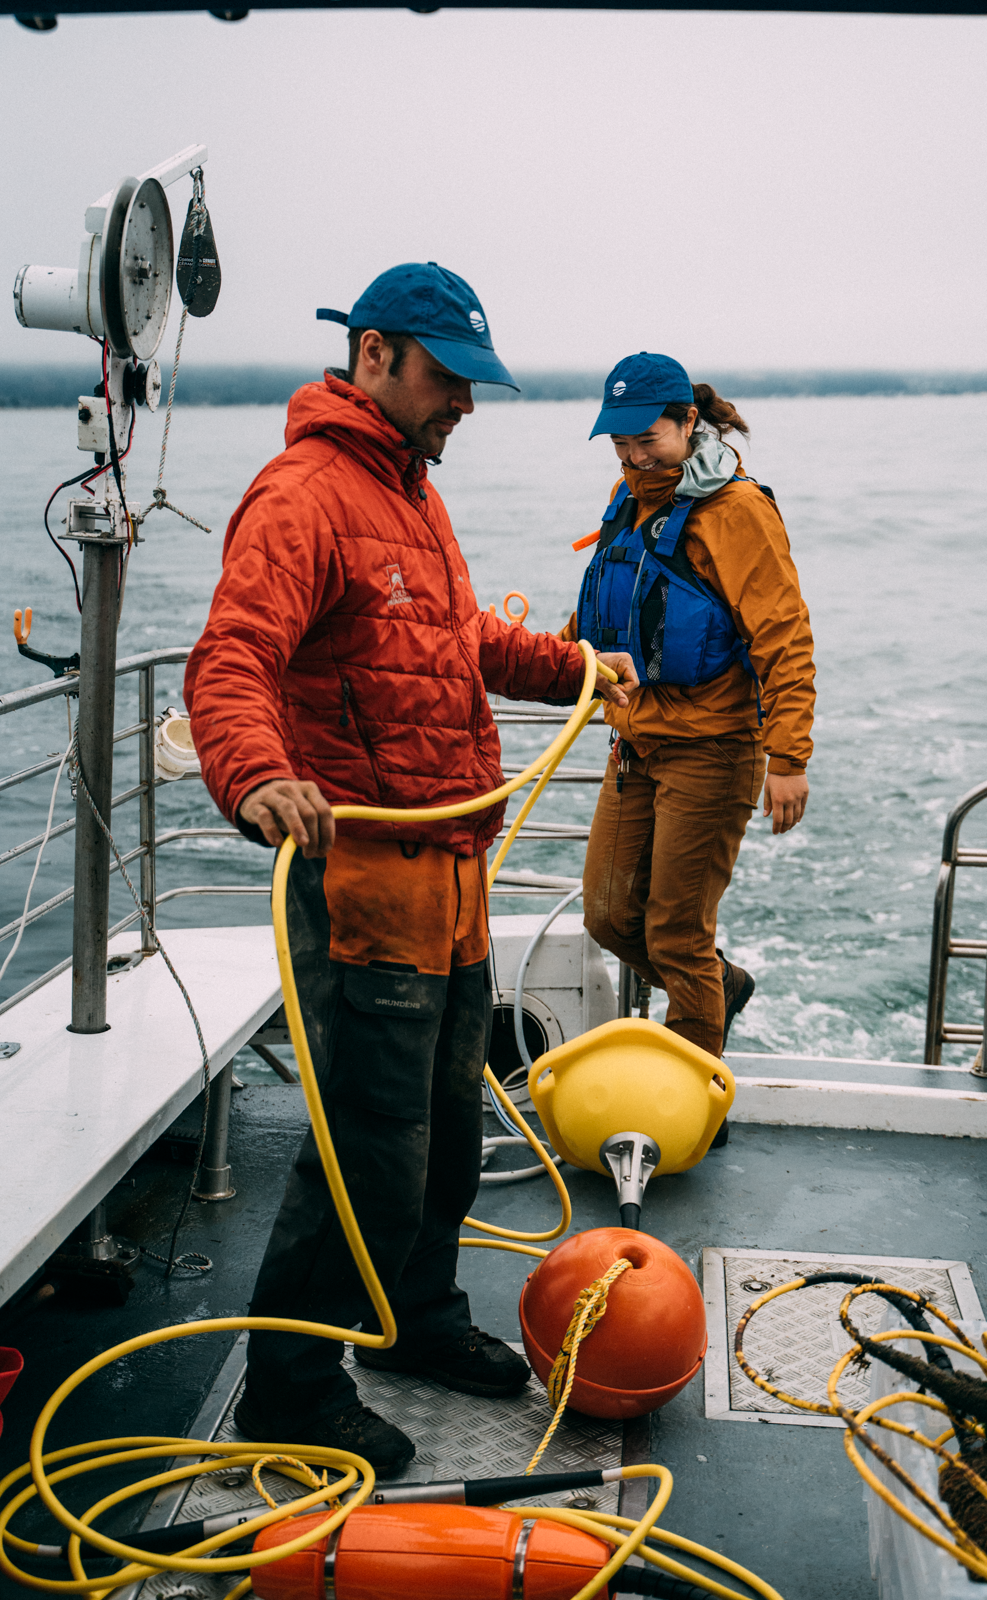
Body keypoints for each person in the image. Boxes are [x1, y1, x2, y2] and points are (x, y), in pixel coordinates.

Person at [184, 263, 637, 1478]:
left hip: (451, 884)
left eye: (472, 384)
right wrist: (253, 774)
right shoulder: (303, 496)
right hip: (364, 888)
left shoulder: (410, 494)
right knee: (361, 1153)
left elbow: (454, 641)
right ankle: (289, 1382)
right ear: (373, 355)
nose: (466, 407)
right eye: (447, 379)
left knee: (441, 1136)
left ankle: (413, 1325)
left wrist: (574, 665)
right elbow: (232, 655)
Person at [567, 351, 815, 1069]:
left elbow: (784, 638)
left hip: (711, 750)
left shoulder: (736, 512)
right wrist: (543, 656)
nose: (634, 455)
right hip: (633, 744)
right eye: (619, 442)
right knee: (609, 918)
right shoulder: (628, 499)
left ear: (687, 422)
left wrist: (788, 758)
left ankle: (693, 1091)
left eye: (648, 438)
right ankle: (720, 986)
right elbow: (618, 614)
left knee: (676, 934)